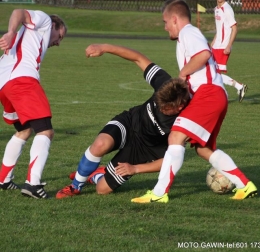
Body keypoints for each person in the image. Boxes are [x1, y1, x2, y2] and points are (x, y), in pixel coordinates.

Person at [131, 0, 257, 203]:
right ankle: (244, 185)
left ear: (174, 19)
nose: (164, 28)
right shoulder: (187, 36)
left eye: (165, 22)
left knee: (175, 138)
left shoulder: (188, 32)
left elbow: (204, 54)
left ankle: (159, 193)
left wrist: (181, 75)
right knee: (203, 149)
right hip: (213, 95)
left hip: (209, 94)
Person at [56, 43, 190, 199]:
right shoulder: (165, 84)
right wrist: (104, 47)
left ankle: (96, 175)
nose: (159, 109)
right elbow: (138, 59)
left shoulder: (184, 123)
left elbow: (171, 160)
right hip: (130, 122)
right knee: (100, 144)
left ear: (179, 107)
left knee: (102, 189)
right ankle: (76, 186)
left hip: (142, 150)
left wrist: (135, 169)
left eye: (164, 109)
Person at [0, 9, 67, 198]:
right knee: (45, 131)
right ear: (54, 26)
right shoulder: (45, 21)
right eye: (60, 36)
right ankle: (33, 185)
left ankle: (3, 179)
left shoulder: (33, 37)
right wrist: (11, 32)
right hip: (22, 82)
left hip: (4, 85)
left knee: (24, 130)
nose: (58, 42)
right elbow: (18, 11)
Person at [211, 0, 248, 102]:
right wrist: (212, 44)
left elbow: (234, 29)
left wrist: (229, 46)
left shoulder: (227, 9)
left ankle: (228, 93)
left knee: (215, 73)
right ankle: (239, 87)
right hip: (216, 46)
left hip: (223, 46)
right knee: (213, 72)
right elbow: (219, 30)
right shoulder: (216, 9)